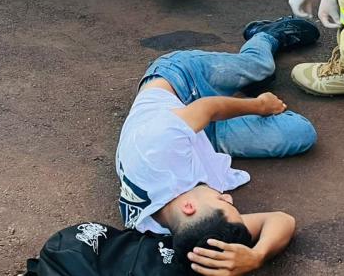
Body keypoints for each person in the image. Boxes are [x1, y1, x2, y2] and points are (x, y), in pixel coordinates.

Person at [116, 17, 319, 273]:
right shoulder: (184, 227)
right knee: (300, 133)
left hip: (181, 83)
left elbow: (207, 108)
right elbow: (281, 220)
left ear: (189, 207)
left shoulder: (156, 148)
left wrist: (260, 105)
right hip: (201, 136)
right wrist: (257, 255)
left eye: (223, 202)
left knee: (259, 66)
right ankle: (241, 86)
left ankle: (265, 35)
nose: (228, 196)